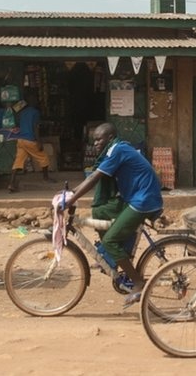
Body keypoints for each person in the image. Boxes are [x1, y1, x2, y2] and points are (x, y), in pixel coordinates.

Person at [62, 122, 163, 308]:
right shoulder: (115, 149)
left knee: (110, 240)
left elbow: (94, 178)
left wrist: (69, 201)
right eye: (94, 141)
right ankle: (113, 258)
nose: (96, 144)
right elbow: (93, 176)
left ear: (110, 137)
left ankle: (138, 283)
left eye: (99, 139)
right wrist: (70, 193)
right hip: (134, 197)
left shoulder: (117, 150)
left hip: (143, 200)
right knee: (100, 211)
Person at [7, 92, 54, 193]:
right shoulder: (35, 112)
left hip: (20, 140)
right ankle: (45, 178)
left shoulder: (22, 112)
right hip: (30, 140)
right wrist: (39, 141)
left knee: (18, 162)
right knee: (43, 157)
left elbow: (17, 118)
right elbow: (36, 128)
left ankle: (11, 183)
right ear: (34, 101)